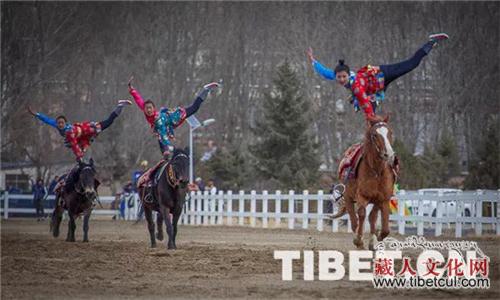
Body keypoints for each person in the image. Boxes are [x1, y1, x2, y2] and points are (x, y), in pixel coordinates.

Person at [307, 33, 449, 119]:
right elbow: (325, 72)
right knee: (370, 117)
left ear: (347, 74)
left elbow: (364, 102)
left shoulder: (356, 86)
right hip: (376, 89)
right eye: (339, 77)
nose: (341, 80)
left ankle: (431, 42)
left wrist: (371, 115)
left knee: (411, 64)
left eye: (344, 77)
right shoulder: (337, 76)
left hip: (383, 75)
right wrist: (314, 62)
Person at [128, 76, 220, 160]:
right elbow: (139, 100)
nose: (148, 110)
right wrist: (132, 90)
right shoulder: (144, 109)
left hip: (174, 118)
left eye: (150, 108)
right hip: (168, 122)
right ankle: (206, 89)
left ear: (154, 108)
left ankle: (206, 90)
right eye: (146, 108)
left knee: (194, 108)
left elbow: (163, 134)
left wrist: (166, 149)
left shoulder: (158, 118)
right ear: (144, 109)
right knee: (160, 134)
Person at [28, 99, 132, 162]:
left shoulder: (69, 131)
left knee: (108, 122)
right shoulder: (56, 124)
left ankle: (120, 105)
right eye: (58, 123)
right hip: (81, 137)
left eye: (62, 123)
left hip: (86, 131)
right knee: (80, 148)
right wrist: (36, 114)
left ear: (65, 123)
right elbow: (46, 119)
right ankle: (120, 105)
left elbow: (74, 144)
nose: (60, 125)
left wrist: (79, 154)